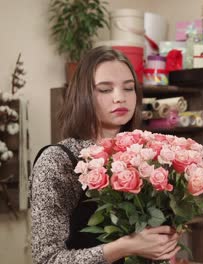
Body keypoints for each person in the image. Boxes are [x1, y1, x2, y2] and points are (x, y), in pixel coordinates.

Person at [31, 46, 180, 264]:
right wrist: (123, 247)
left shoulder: (147, 157)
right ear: (83, 95)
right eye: (105, 89)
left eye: (129, 88)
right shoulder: (58, 161)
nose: (120, 98)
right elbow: (47, 260)